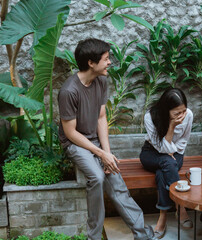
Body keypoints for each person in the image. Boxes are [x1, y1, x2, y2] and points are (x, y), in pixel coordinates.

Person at [58, 38, 157, 240]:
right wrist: (100, 153)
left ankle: (142, 234)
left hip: (95, 141)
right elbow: (70, 133)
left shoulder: (101, 80)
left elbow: (101, 117)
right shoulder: (69, 91)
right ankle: (93, 237)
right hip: (75, 143)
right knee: (97, 176)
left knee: (116, 180)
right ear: (91, 63)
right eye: (106, 59)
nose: (110, 62)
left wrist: (107, 153)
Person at [140, 88, 194, 239]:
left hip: (176, 153)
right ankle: (181, 206)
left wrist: (171, 151)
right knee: (166, 161)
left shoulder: (188, 114)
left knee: (163, 170)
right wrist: (171, 127)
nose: (182, 115)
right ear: (165, 109)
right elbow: (160, 147)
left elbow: (184, 141)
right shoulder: (150, 117)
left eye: (183, 111)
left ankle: (162, 217)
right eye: (177, 113)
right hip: (151, 153)